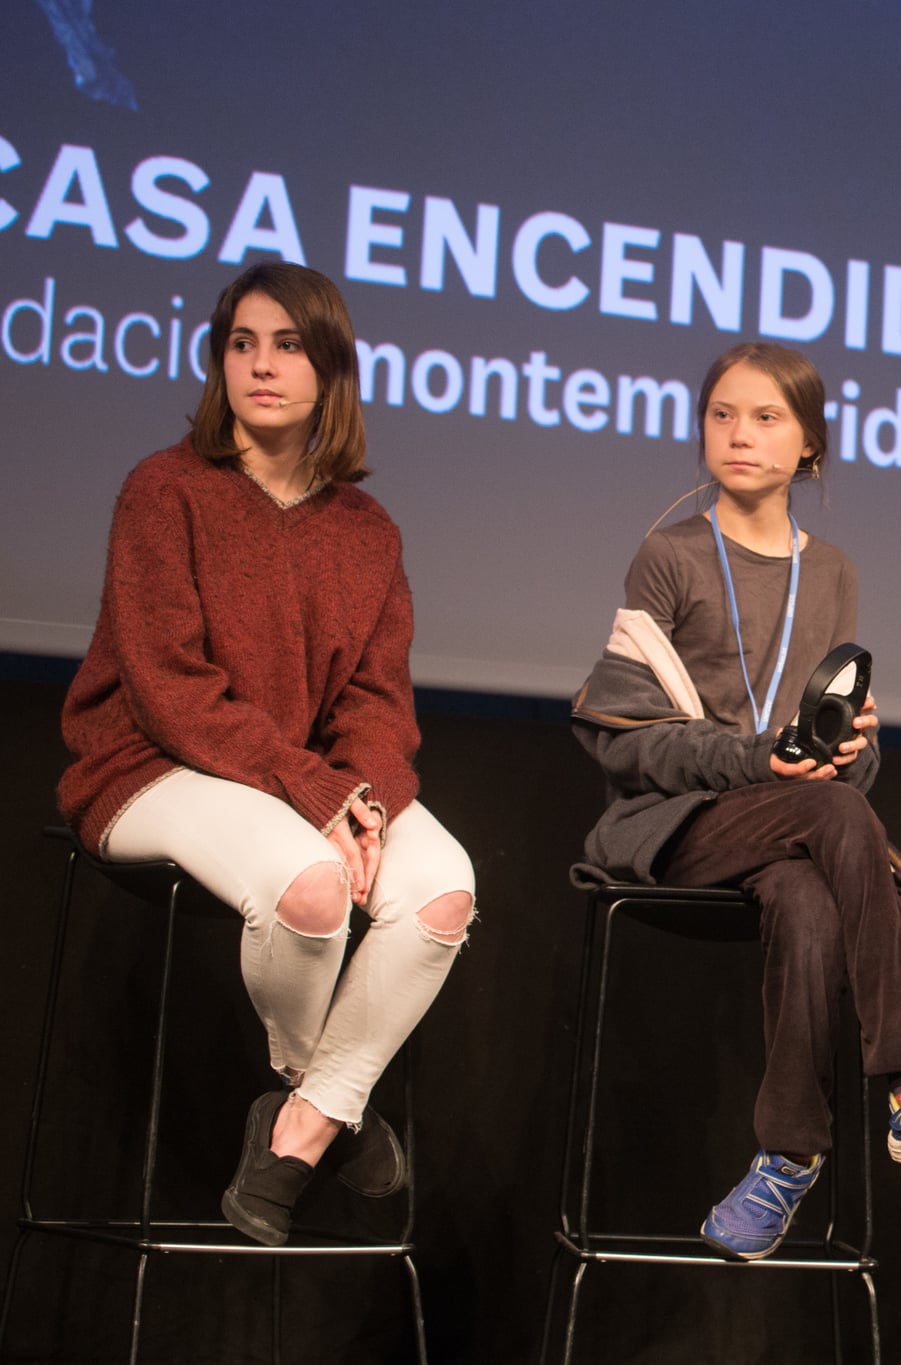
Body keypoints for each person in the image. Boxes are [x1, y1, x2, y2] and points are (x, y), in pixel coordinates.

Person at [570, 340, 901, 1261]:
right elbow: (619, 736)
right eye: (722, 414)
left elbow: (840, 755)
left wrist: (849, 752)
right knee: (830, 821)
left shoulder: (833, 573)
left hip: (796, 833)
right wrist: (757, 760)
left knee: (807, 891)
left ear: (811, 444)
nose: (739, 434)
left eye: (767, 417)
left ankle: (786, 1154)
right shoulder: (669, 556)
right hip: (678, 825)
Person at [57, 262, 477, 1247]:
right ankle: (333, 1100)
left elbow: (377, 695)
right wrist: (316, 793)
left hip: (305, 780)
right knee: (314, 889)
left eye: (288, 345)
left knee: (446, 889)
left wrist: (361, 795)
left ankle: (296, 1127)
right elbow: (168, 687)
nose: (261, 364)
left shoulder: (366, 530)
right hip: (147, 764)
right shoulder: (164, 491)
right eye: (242, 343)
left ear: (329, 368)